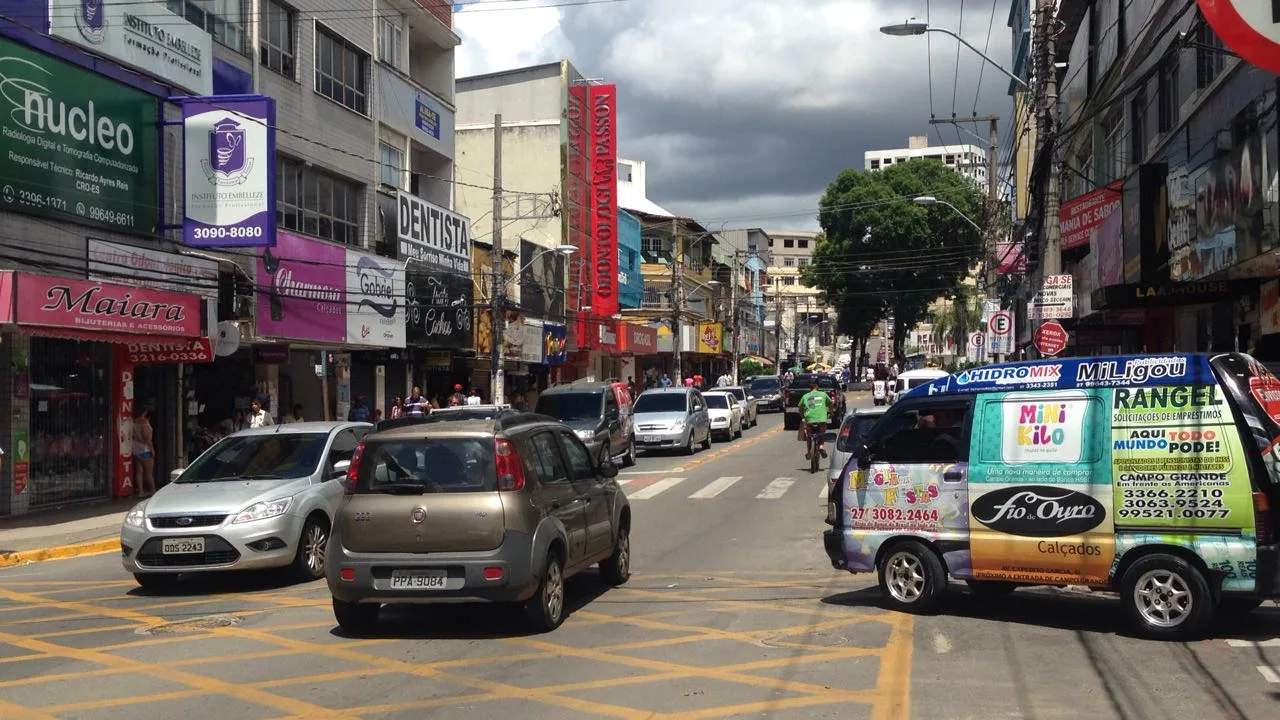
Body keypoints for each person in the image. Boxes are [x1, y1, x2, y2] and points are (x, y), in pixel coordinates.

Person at [798, 379, 832, 460]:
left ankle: (810, 451)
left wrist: (802, 415)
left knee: (809, 436)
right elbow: (830, 403)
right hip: (821, 420)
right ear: (817, 387)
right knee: (821, 434)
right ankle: (821, 446)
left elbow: (800, 406)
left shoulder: (805, 396)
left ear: (809, 388)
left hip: (809, 420)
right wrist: (831, 413)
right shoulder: (823, 395)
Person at [132, 408, 156, 498]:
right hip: (145, 449)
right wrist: (152, 449)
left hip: (136, 449)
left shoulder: (134, 422)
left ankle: (141, 491)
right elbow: (147, 438)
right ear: (145, 412)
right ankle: (153, 491)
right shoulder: (144, 422)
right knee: (149, 472)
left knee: (139, 471)